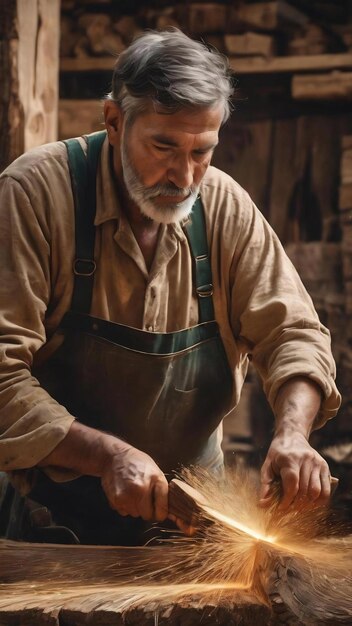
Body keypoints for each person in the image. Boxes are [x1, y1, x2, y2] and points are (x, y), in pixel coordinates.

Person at [0, 28, 340, 545]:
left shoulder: (224, 206)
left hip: (191, 521)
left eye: (202, 151)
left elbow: (293, 332)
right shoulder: (36, 195)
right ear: (114, 121)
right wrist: (108, 455)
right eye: (163, 146)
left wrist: (292, 435)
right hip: (52, 521)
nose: (184, 176)